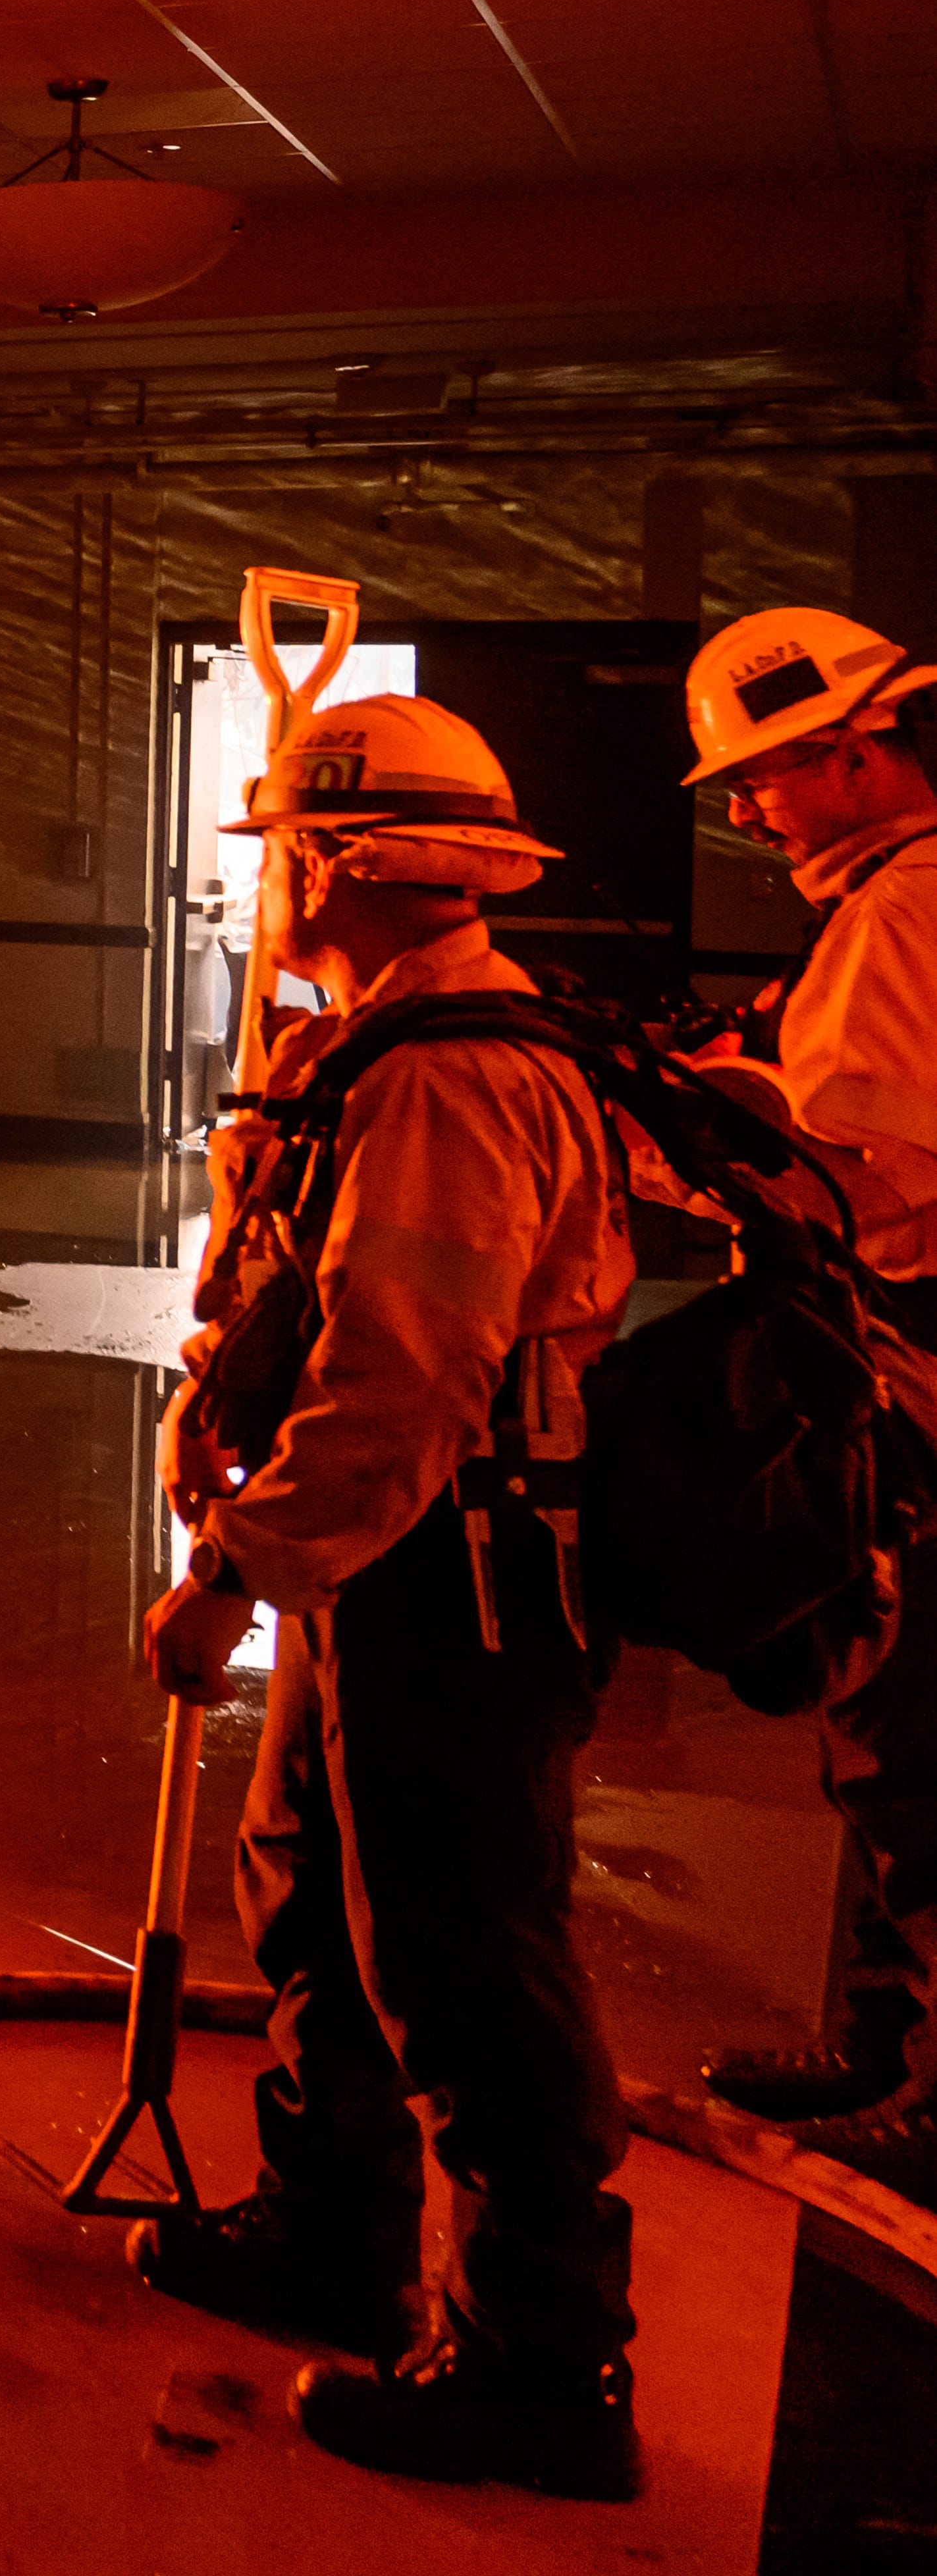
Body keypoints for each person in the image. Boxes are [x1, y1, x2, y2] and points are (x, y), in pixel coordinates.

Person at [135, 692, 642, 2501]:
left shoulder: (442, 1072)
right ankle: (331, 2231)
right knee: (315, 1896)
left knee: (457, 1948)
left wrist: (228, 1579)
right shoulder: (380, 1044)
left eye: (284, 858)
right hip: (390, 1563)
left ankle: (537, 2368)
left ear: (346, 867)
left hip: (454, 1575)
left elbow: (402, 1376)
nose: (269, 891)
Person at [674, 606, 937, 2199]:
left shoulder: (904, 913)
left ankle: (927, 2096)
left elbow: (865, 1177)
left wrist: (700, 1134)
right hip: (907, 1337)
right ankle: (886, 2036)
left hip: (910, 1350)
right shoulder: (888, 905)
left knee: (912, 1719)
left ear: (856, 746)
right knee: (883, 1712)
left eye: (769, 775)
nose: (750, 808)